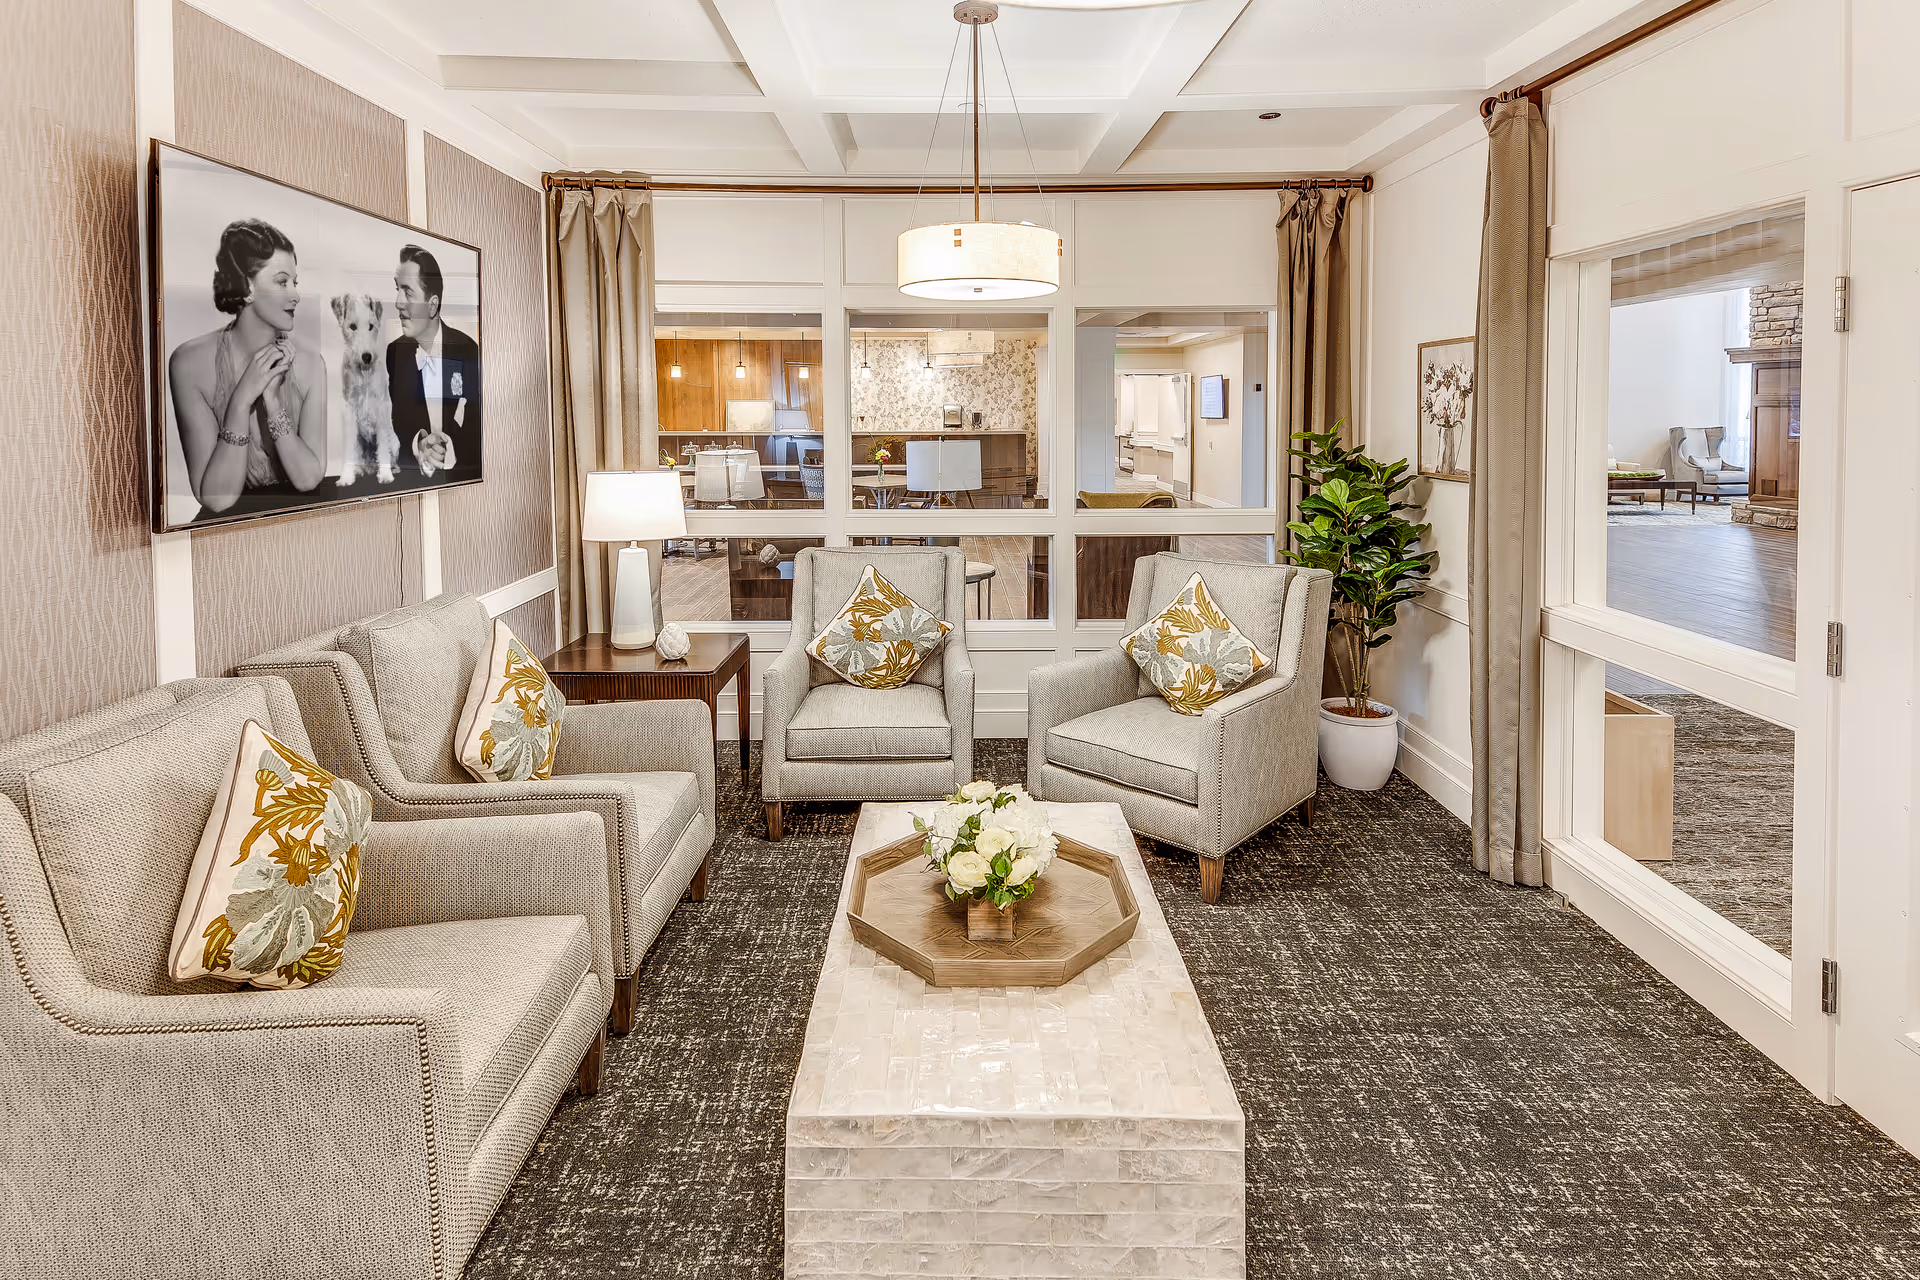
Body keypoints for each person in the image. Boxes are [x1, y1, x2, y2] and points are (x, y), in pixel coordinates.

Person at [167, 218, 327, 517]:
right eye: (282, 282)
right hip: (221, 541)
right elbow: (216, 499)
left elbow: (308, 480)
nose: (295, 294)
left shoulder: (311, 364)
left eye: (295, 282)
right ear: (249, 286)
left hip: (303, 527)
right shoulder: (189, 363)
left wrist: (274, 403)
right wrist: (241, 401)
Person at [389, 243, 481, 482]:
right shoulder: (395, 354)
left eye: (408, 293)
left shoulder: (469, 351)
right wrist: (418, 444)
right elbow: (397, 423)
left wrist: (449, 451)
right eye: (397, 290)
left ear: (432, 305)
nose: (398, 303)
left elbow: (481, 431)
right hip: (413, 488)